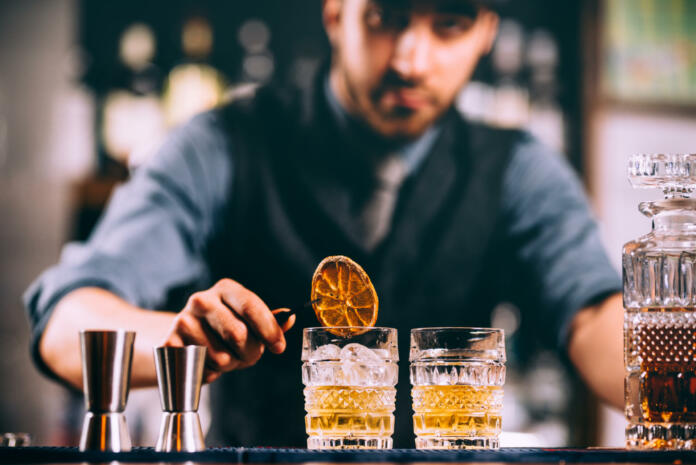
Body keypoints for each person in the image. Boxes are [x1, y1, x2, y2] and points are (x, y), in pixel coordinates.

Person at [25, 0, 624, 447]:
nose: (412, 60)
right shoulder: (225, 144)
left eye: (450, 23)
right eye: (385, 16)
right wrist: (179, 340)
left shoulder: (518, 169)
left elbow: (594, 316)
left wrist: (667, 359)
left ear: (486, 32)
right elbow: (64, 322)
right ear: (336, 12)